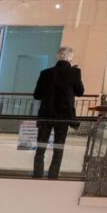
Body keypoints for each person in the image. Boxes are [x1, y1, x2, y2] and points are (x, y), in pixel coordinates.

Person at [31, 45, 86, 178]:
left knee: (41, 147)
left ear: (58, 56)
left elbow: (37, 95)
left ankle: (37, 176)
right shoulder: (74, 72)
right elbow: (80, 92)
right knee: (58, 148)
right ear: (70, 57)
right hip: (63, 116)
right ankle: (53, 177)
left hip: (45, 115)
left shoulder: (45, 73)